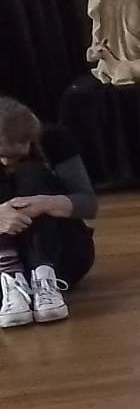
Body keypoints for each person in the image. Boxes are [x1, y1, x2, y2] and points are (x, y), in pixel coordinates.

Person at [0, 99, 98, 327]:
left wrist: (45, 203)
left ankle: (44, 277)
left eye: (15, 155)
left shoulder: (54, 138)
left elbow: (88, 204)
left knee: (31, 173)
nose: (6, 162)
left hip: (58, 251)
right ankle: (11, 277)